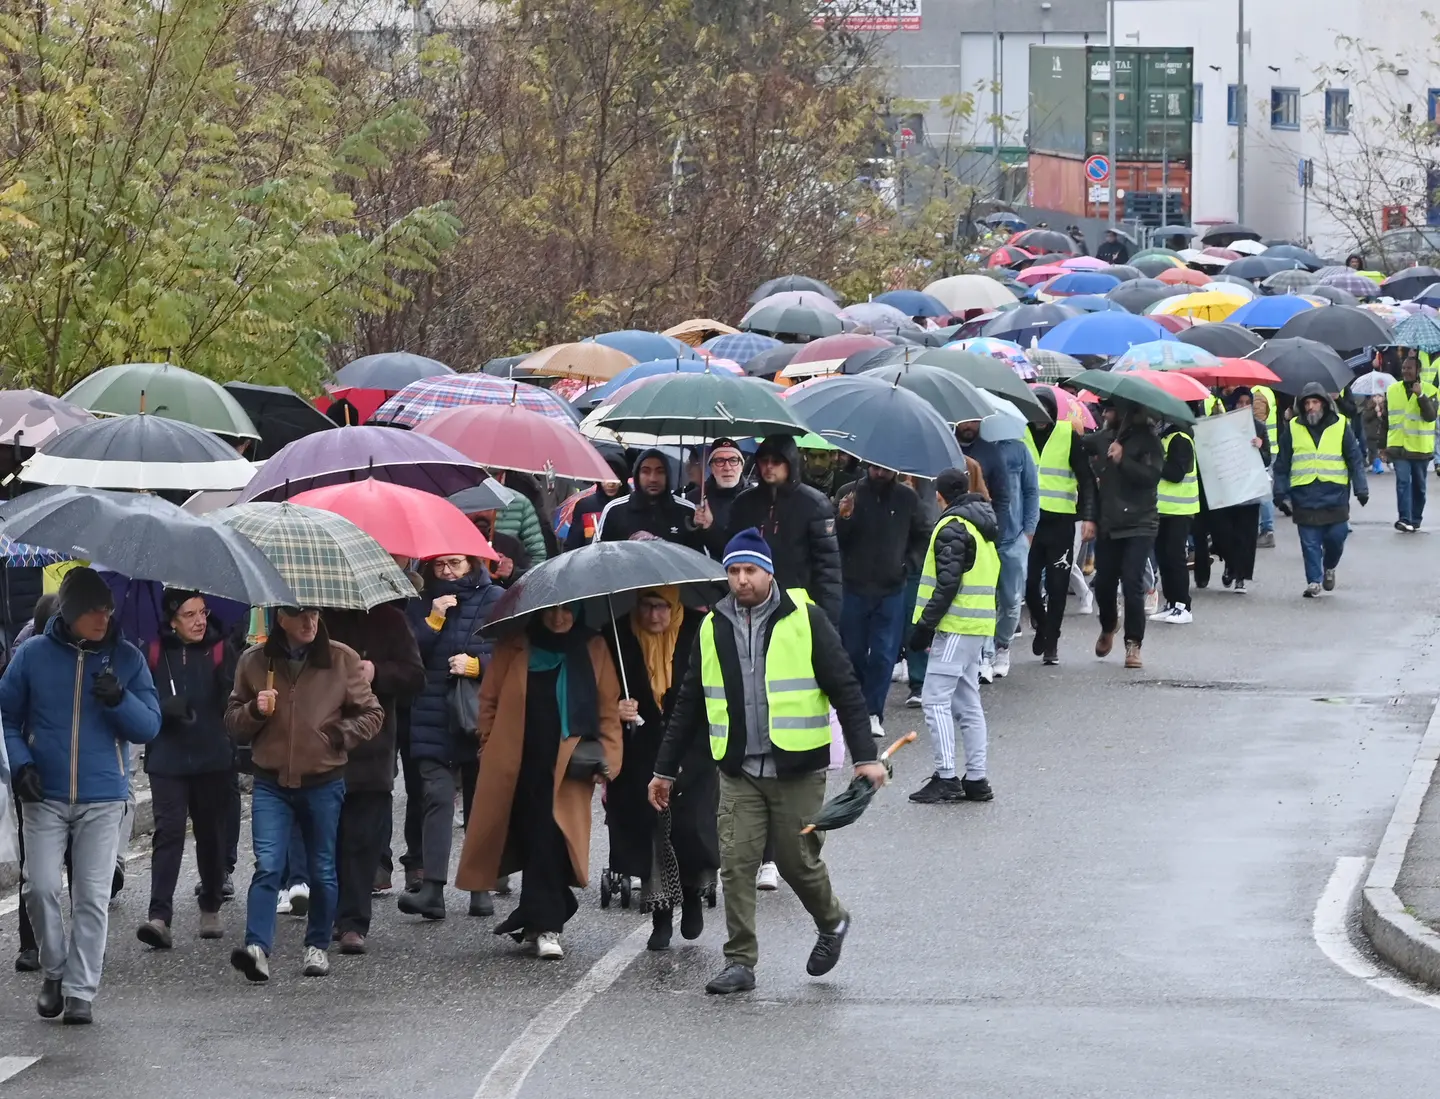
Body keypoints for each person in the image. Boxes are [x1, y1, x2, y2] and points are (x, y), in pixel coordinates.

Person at [649, 529, 884, 995]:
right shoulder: (712, 626)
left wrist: (865, 758)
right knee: (736, 863)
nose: (740, 580)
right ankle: (739, 961)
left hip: (797, 769)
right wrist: (663, 769)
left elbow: (846, 689)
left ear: (769, 572)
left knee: (797, 861)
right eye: (733, 571)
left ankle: (832, 921)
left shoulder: (805, 619)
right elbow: (689, 703)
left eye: (749, 570)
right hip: (738, 771)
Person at [2, 568, 161, 1023]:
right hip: (43, 794)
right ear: (69, 612)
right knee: (41, 887)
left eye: (107, 608)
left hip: (103, 797)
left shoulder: (126, 659)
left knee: (91, 897)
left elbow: (149, 725)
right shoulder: (32, 655)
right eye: (93, 608)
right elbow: (7, 716)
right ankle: (54, 969)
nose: (103, 616)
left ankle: (79, 992)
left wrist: (119, 701)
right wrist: (21, 765)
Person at [225, 606, 384, 983]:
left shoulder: (342, 659)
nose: (309, 622)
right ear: (280, 618)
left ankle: (316, 946)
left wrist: (337, 736)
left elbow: (372, 713)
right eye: (299, 615)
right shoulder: (254, 661)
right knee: (268, 866)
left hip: (324, 780)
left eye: (313, 614)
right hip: (271, 780)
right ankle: (257, 949)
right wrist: (254, 710)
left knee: (323, 869)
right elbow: (232, 721)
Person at [455, 605, 623, 961]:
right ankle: (543, 912)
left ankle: (548, 926)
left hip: (568, 764)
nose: (560, 618)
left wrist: (610, 759)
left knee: (550, 834)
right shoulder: (514, 645)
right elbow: (490, 701)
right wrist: (487, 746)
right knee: (531, 837)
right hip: (515, 761)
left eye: (568, 611)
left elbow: (608, 710)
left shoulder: (592, 646)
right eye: (553, 612)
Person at [606, 587, 717, 951]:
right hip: (642, 751)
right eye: (646, 607)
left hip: (695, 748)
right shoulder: (618, 636)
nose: (653, 616)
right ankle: (661, 916)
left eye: (661, 608)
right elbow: (597, 687)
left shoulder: (703, 631)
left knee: (691, 829)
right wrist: (614, 708)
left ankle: (692, 895)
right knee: (653, 832)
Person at [400, 553, 504, 921]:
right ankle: (432, 889)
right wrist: (434, 620)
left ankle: (480, 888)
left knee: (480, 805)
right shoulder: (421, 599)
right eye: (440, 564)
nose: (447, 571)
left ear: (472, 563)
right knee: (437, 800)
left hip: (477, 715)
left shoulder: (494, 598)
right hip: (430, 715)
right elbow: (408, 655)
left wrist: (478, 666)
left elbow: (510, 654)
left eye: (455, 563)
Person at [136, 590, 237, 951]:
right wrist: (163, 707)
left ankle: (210, 904)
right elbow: (138, 698)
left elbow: (235, 697)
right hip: (166, 757)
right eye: (189, 614)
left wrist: (228, 693)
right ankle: (159, 916)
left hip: (212, 756)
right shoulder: (152, 652)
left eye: (203, 612)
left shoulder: (221, 649)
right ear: (172, 619)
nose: (199, 621)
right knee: (169, 832)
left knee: (210, 833)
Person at [323, 604, 424, 954]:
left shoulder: (389, 620)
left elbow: (414, 675)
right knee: (328, 840)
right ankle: (331, 913)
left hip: (373, 750)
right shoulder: (315, 618)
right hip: (323, 746)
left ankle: (353, 922)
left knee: (363, 841)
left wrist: (376, 671)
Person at [906, 468, 1000, 804]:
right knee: (967, 701)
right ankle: (976, 777)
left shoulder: (952, 527)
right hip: (976, 627)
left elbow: (946, 584)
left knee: (934, 699)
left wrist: (924, 627)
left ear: (939, 495)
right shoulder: (982, 525)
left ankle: (946, 776)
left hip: (956, 626)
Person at [834, 465, 930, 737]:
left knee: (883, 653)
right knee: (852, 651)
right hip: (853, 585)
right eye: (875, 467)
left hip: (891, 588)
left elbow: (923, 534)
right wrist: (844, 516)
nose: (879, 472)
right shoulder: (848, 493)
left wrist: (907, 564)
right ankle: (856, 706)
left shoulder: (907, 498)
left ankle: (874, 711)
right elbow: (834, 537)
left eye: (885, 468)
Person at [720, 434, 843, 625]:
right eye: (764, 460)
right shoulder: (743, 504)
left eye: (777, 461)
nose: (769, 466)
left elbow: (828, 569)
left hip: (798, 608)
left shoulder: (814, 504)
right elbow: (729, 555)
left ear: (790, 463)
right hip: (751, 605)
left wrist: (827, 622)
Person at [1082, 402, 1163, 669]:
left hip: (1141, 521)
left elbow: (1151, 477)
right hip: (1108, 522)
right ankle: (1109, 625)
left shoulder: (1149, 441)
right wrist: (1090, 518)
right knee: (1104, 584)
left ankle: (1133, 644)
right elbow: (1093, 484)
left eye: (1110, 409)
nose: (1104, 414)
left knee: (1132, 583)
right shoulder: (1103, 439)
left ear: (1127, 411)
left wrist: (1123, 459)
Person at [1274, 383, 1370, 597]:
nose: (1310, 407)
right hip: (1304, 495)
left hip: (1335, 495)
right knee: (1309, 542)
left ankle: (1329, 566)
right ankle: (1314, 581)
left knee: (1337, 536)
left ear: (1325, 404)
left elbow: (1354, 460)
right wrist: (1279, 491)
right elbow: (1282, 463)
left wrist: (1361, 489)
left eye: (1315, 402)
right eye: (1307, 403)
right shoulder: (1293, 428)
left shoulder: (1341, 425)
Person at [1024, 391, 1097, 663]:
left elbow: (1086, 480)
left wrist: (1088, 517)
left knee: (1057, 586)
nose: (1039, 418)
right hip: (1030, 525)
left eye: (1045, 412)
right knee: (1029, 584)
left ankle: (1052, 640)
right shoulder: (1021, 434)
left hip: (1061, 523)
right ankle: (1041, 625)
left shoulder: (1068, 436)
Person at [8, 593, 58, 974]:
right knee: (34, 866)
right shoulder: (24, 657)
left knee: (76, 860)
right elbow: (9, 714)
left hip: (78, 777)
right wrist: (22, 765)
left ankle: (85, 945)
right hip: (34, 770)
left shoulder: (93, 656)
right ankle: (30, 943)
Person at [954, 419, 1010, 683]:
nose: (969, 425)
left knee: (984, 598)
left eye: (974, 420)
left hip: (982, 531)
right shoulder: (945, 447)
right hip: (951, 530)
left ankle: (986, 656)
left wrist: (995, 530)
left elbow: (1001, 496)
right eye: (965, 420)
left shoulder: (990, 453)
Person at [983, 434, 1038, 680]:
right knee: (982, 598)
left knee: (1010, 599)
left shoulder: (1018, 449)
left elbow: (1031, 490)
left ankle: (1002, 646)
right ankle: (983, 654)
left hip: (1013, 537)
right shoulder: (977, 449)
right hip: (984, 535)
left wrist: (1028, 532)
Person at [1207, 388, 1270, 593]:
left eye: (1247, 402)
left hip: (1249, 490)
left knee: (1246, 535)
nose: (1243, 406)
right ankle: (1230, 564)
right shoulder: (1222, 424)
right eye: (1239, 403)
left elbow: (1268, 459)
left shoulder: (1259, 428)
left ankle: (1240, 577)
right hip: (1227, 489)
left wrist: (1260, 447)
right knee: (1223, 532)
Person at [597, 448, 704, 549]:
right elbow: (598, 555)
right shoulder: (614, 510)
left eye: (660, 471)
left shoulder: (687, 511)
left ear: (667, 475)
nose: (653, 479)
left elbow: (700, 560)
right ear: (637, 475)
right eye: (646, 471)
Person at [1150, 421, 1198, 624]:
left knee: (1176, 557)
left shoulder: (1180, 439)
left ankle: (1183, 605)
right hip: (1164, 509)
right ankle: (1171, 603)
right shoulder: (1165, 438)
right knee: (1164, 557)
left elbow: (1177, 474)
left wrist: (1153, 461)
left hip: (1180, 510)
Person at [1384, 355, 1437, 532]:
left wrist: (1421, 395)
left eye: (1410, 368)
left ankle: (1415, 518)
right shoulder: (1392, 390)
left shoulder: (1431, 390)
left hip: (1420, 448)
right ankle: (1404, 518)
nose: (1406, 371)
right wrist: (1381, 446)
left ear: (1418, 371)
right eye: (1404, 368)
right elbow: (1385, 419)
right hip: (1398, 448)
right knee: (1403, 482)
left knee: (1419, 487)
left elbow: (1430, 417)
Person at [688, 438, 750, 559]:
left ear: (742, 465)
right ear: (711, 467)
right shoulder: (695, 498)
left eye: (733, 460)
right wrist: (693, 525)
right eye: (719, 461)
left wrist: (710, 527)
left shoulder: (753, 499)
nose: (727, 467)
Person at [563, 453, 633, 550]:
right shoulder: (586, 506)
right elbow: (573, 544)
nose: (610, 483)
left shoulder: (633, 505)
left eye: (615, 476)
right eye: (605, 476)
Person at [492, 471, 551, 563]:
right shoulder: (464, 501)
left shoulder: (520, 501)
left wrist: (514, 573)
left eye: (494, 475)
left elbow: (537, 555)